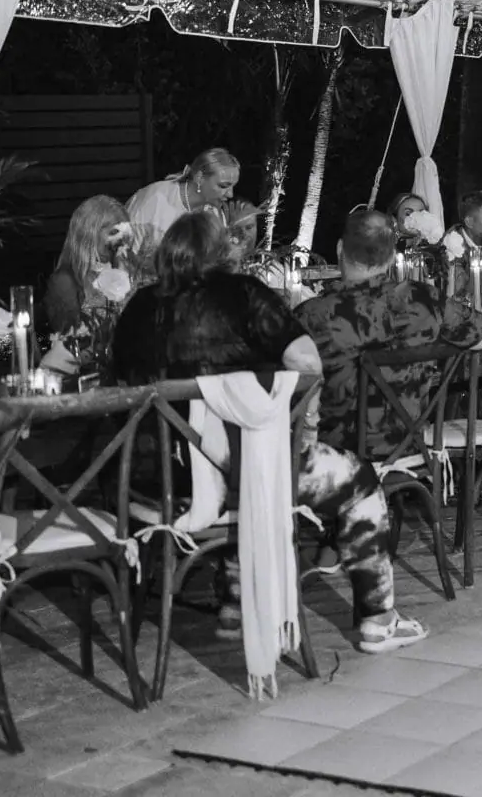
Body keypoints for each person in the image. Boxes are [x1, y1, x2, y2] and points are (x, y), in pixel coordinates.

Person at [111, 210, 427, 655]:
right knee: (359, 479)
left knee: (239, 455)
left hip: (155, 481)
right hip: (241, 475)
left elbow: (119, 386)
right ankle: (378, 618)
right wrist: (294, 428)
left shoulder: (138, 308)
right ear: (223, 252)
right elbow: (307, 364)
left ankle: (236, 595)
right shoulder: (243, 295)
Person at [295, 207, 482, 461]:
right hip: (408, 446)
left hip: (335, 457)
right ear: (393, 257)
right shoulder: (422, 298)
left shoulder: (312, 315)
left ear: (339, 249)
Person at [44, 195, 135, 335]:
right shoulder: (64, 282)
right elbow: (69, 338)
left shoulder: (126, 270)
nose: (121, 240)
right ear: (88, 233)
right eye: (114, 232)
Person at [128, 148, 241, 247]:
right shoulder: (154, 201)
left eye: (233, 187)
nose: (230, 194)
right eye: (223, 186)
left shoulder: (214, 212)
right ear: (199, 178)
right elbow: (126, 255)